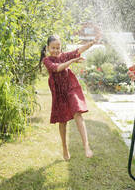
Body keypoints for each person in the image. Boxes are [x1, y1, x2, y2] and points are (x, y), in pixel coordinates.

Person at [39, 28, 101, 160]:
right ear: (48, 48)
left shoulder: (64, 55)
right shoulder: (47, 60)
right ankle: (64, 147)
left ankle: (86, 145)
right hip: (59, 92)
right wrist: (72, 61)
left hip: (70, 87)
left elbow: (78, 51)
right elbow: (57, 68)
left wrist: (93, 42)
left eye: (58, 47)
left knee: (77, 113)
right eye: (53, 47)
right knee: (63, 121)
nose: (56, 50)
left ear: (61, 47)